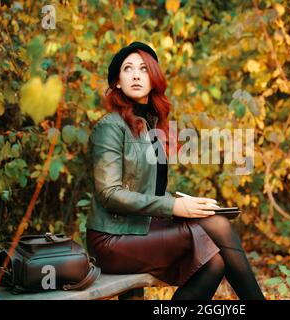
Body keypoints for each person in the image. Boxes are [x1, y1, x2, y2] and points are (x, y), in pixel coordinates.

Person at [85, 41, 265, 300]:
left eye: (144, 69)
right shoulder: (110, 127)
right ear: (116, 82)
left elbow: (152, 189)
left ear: (154, 78)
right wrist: (173, 207)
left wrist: (183, 202)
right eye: (128, 69)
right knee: (218, 225)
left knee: (214, 263)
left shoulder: (153, 127)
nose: (136, 75)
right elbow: (109, 194)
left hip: (141, 228)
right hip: (112, 238)